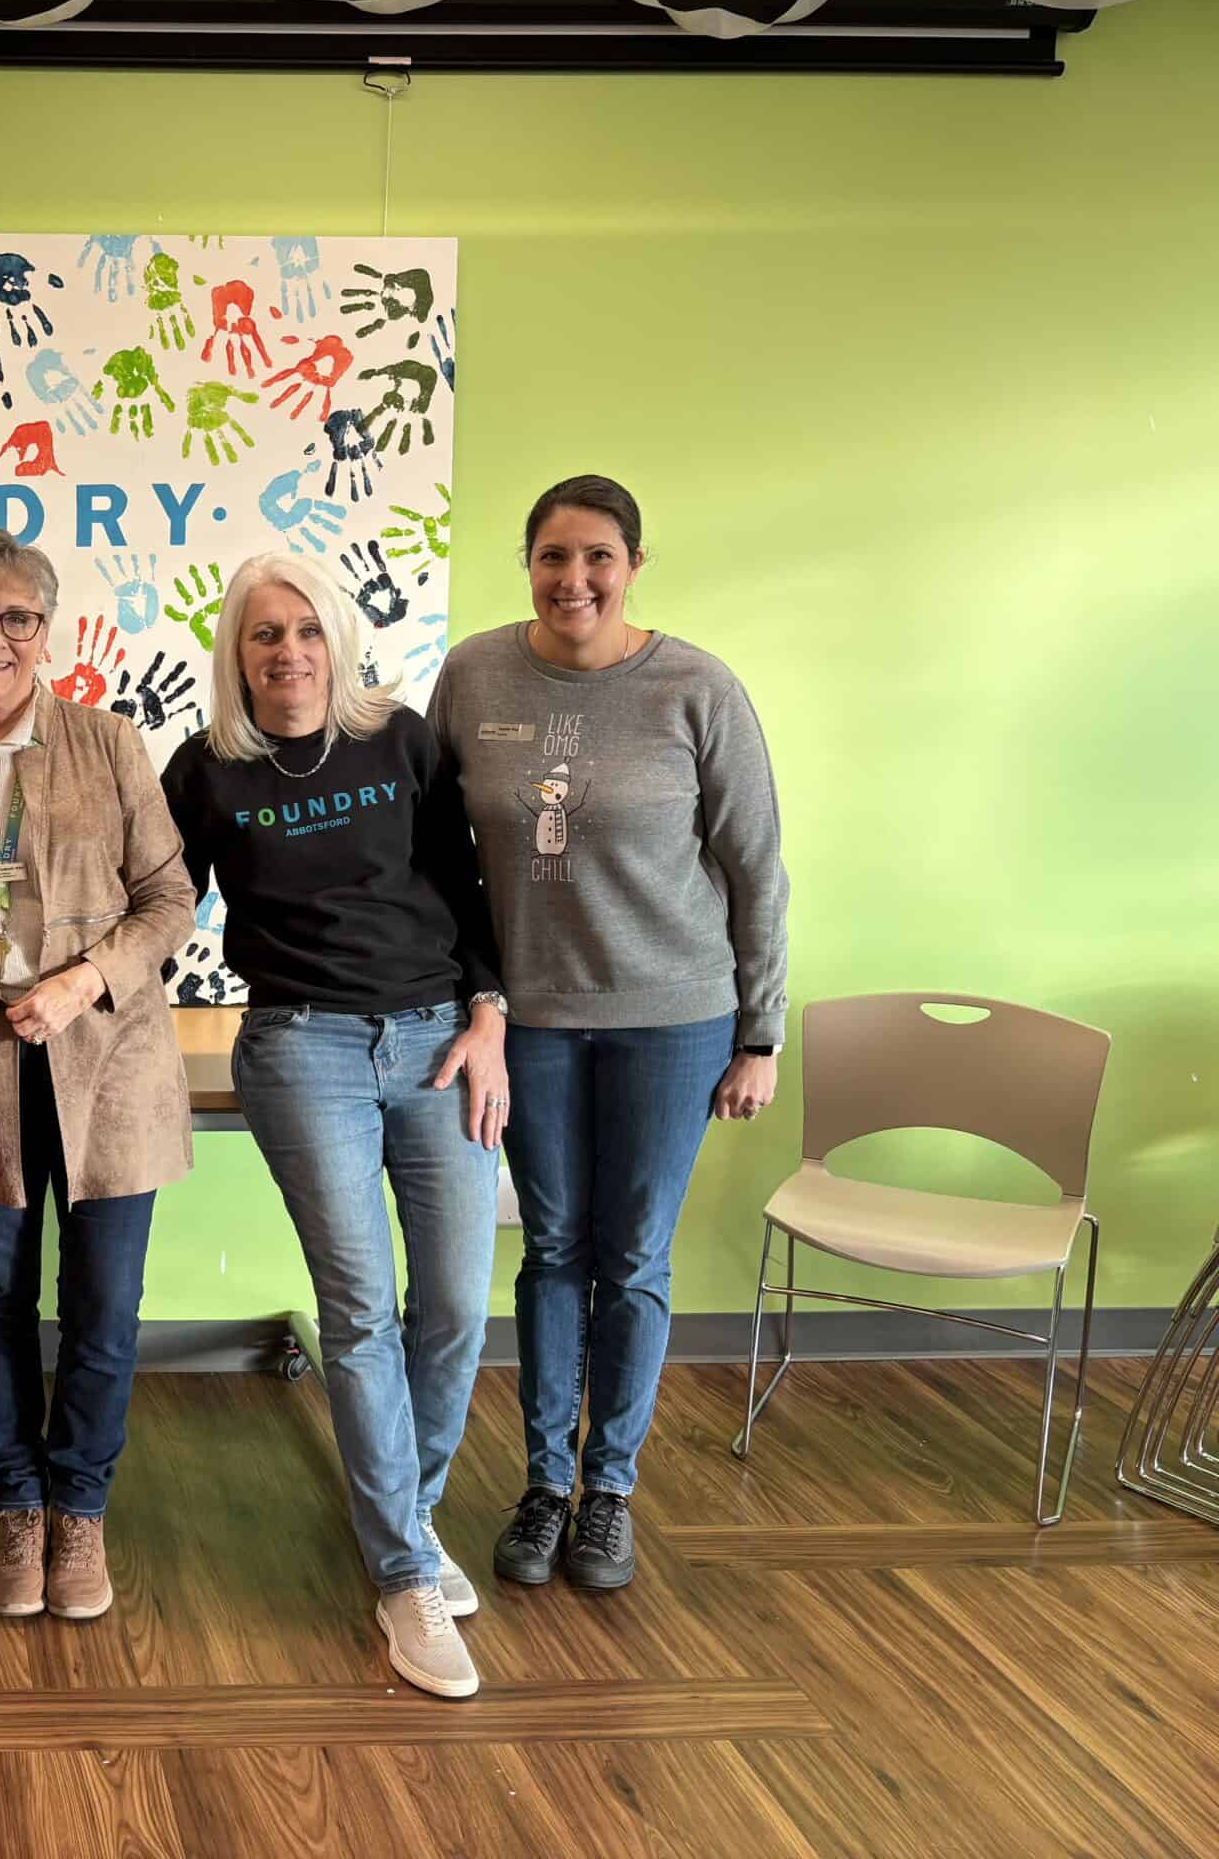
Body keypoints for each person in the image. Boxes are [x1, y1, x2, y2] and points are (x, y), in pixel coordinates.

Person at [427, 473, 787, 1596]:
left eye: (596, 557)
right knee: (549, 1249)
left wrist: (759, 1035)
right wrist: (464, 999)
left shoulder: (696, 688)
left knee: (630, 1258)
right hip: (527, 1019)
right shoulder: (474, 675)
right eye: (551, 557)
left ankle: (610, 1492)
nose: (572, 579)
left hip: (673, 1020)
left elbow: (755, 868)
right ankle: (542, 1486)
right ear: (525, 563)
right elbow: (437, 856)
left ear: (631, 565)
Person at [161, 552, 508, 1701]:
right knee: (360, 1308)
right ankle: (405, 1573)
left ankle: (405, 1515)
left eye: (307, 630)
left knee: (456, 1301)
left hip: (436, 1045)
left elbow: (472, 894)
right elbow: (156, 902)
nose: (288, 652)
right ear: (237, 653)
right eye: (265, 634)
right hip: (301, 1047)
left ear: (339, 641)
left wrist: (490, 1015)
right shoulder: (209, 769)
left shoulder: (401, 742)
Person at [0, 528, 194, 1626]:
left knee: (103, 1307)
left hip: (108, 1059)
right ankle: (15, 1504)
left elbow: (168, 899)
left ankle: (82, 1508)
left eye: (17, 618)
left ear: (46, 632)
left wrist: (81, 984)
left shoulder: (109, 744)